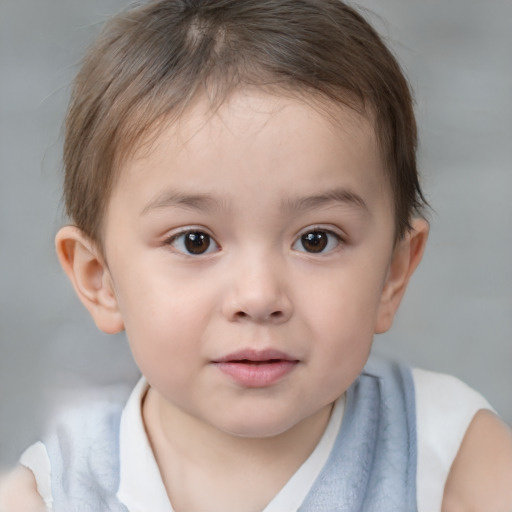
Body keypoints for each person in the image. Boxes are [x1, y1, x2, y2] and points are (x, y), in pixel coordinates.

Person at [1, 0, 511, 510]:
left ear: (392, 275)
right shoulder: (51, 495)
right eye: (194, 241)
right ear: (100, 280)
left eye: (317, 239)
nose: (259, 296)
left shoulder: (452, 458)